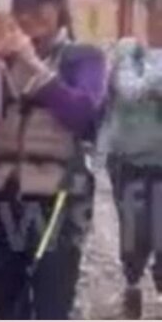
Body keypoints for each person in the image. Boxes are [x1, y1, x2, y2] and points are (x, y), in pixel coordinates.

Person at [0, 0, 108, 319]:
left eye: (39, 4)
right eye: (20, 6)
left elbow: (83, 115)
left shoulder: (84, 58)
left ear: (59, 6)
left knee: (51, 299)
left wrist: (30, 63)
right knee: (3, 298)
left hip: (58, 196)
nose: (28, 15)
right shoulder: (1, 59)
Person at [102, 36, 162, 319]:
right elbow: (128, 90)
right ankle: (132, 282)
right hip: (128, 160)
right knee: (135, 229)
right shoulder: (129, 51)